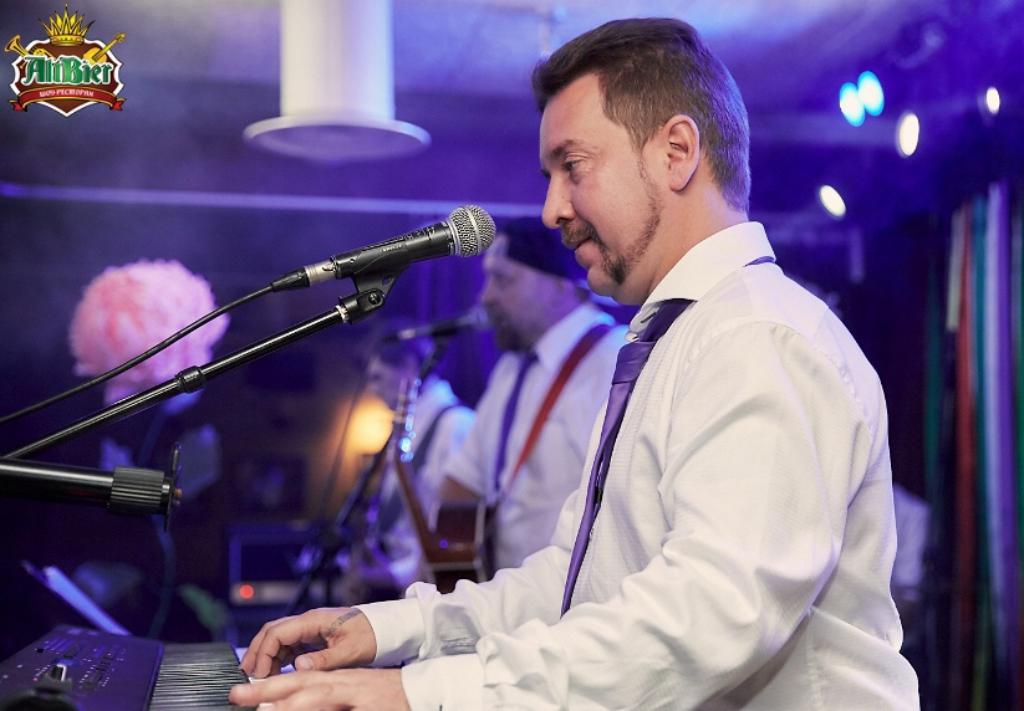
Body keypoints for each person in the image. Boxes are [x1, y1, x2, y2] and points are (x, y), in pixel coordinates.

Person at [231, 18, 920, 710]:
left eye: (573, 166)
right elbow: (573, 580)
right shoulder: (677, 337)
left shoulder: (759, 336)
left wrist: (419, 692)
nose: (552, 208)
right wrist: (389, 628)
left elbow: (709, 616)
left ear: (677, 152)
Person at [437, 216, 626, 573]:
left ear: (561, 284)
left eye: (503, 280)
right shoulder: (511, 368)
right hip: (509, 597)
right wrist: (436, 564)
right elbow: (464, 481)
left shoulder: (614, 364)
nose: (486, 296)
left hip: (577, 601)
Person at [341, 335, 475, 602]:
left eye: (378, 377)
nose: (372, 390)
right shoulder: (407, 427)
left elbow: (455, 528)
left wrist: (396, 574)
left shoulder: (455, 424)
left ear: (410, 368)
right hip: (402, 587)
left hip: (433, 590)